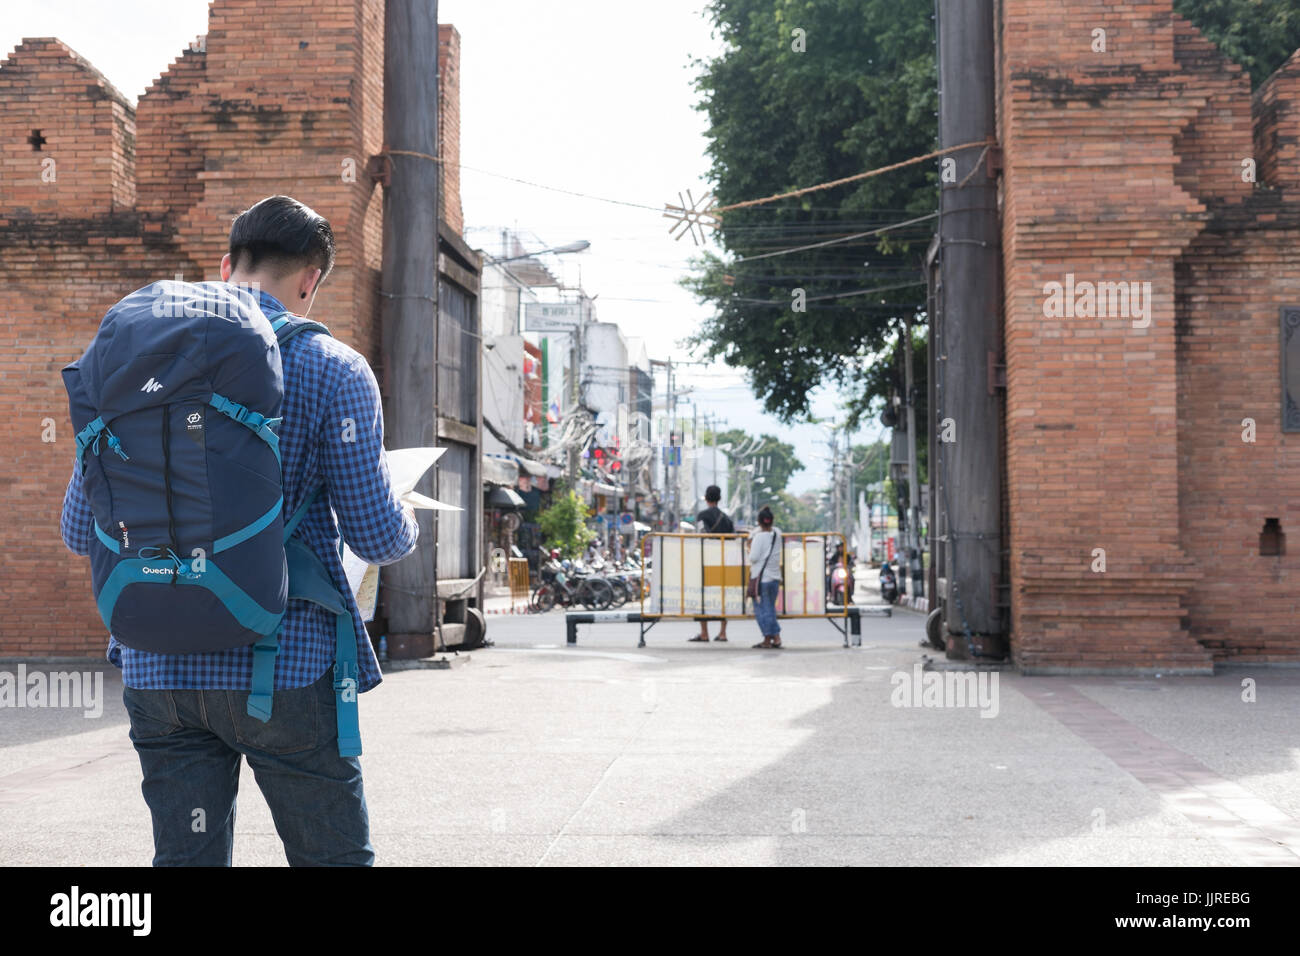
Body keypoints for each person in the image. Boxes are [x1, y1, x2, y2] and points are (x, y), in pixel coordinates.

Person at [60, 195, 419, 866]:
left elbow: (80, 529)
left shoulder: (133, 360)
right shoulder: (335, 370)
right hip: (282, 666)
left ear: (226, 265)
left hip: (156, 668)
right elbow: (376, 536)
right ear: (310, 279)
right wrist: (404, 520)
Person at [690, 484, 735, 643]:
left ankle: (704, 633)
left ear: (706, 498)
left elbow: (702, 535)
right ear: (719, 498)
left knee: (703, 596)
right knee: (724, 597)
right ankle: (722, 633)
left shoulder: (702, 515)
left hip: (706, 561)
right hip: (724, 562)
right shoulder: (727, 519)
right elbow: (733, 540)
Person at [749, 506, 783, 649]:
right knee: (769, 609)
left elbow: (753, 557)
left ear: (759, 522)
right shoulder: (777, 534)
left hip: (762, 579)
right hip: (775, 578)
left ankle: (771, 638)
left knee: (763, 610)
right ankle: (773, 638)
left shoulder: (758, 537)